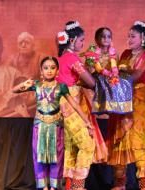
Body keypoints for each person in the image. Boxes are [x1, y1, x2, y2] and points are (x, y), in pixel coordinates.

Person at [13, 56, 93, 190]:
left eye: (52, 68)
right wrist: (25, 83)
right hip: (40, 127)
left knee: (56, 156)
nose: (49, 70)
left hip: (55, 126)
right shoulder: (37, 85)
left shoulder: (61, 87)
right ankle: (43, 187)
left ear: (57, 71)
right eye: (46, 68)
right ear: (41, 71)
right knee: (40, 156)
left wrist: (87, 121)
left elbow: (74, 104)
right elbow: (14, 90)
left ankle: (54, 187)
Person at [56, 21, 107, 189]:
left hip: (67, 105)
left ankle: (70, 186)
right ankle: (78, 186)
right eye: (81, 40)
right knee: (87, 145)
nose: (82, 44)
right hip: (69, 106)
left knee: (71, 148)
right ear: (72, 40)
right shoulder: (71, 58)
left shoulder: (64, 57)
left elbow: (80, 82)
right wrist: (99, 73)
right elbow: (91, 82)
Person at [107, 21, 145, 190]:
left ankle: (144, 185)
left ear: (143, 37)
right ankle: (120, 183)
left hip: (141, 98)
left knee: (137, 139)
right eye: (128, 36)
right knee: (120, 139)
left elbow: (136, 75)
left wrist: (119, 72)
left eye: (133, 36)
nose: (129, 39)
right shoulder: (126, 54)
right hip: (123, 97)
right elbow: (115, 75)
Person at [84, 27, 132, 114]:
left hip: (110, 76)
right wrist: (106, 74)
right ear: (96, 39)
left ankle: (121, 106)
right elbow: (94, 69)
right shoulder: (92, 51)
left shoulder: (113, 53)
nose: (106, 39)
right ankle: (105, 106)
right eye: (103, 36)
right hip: (96, 75)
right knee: (106, 80)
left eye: (109, 37)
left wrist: (117, 72)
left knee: (126, 80)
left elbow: (115, 68)